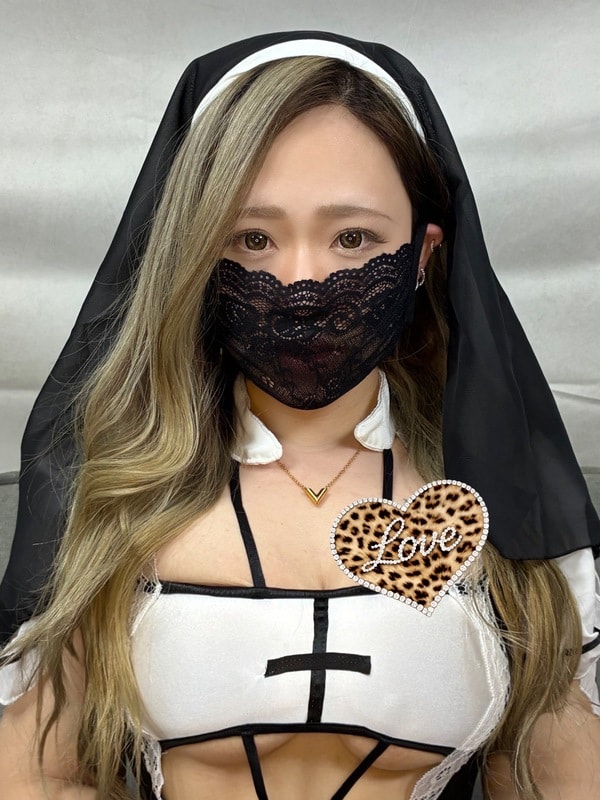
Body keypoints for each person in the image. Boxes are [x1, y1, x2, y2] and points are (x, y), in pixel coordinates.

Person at [0, 31, 599, 800]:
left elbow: (555, 776)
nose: (303, 283)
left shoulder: (506, 508)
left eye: (352, 238)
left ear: (424, 253)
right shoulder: (112, 498)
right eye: (253, 238)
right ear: (195, 252)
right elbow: (36, 776)